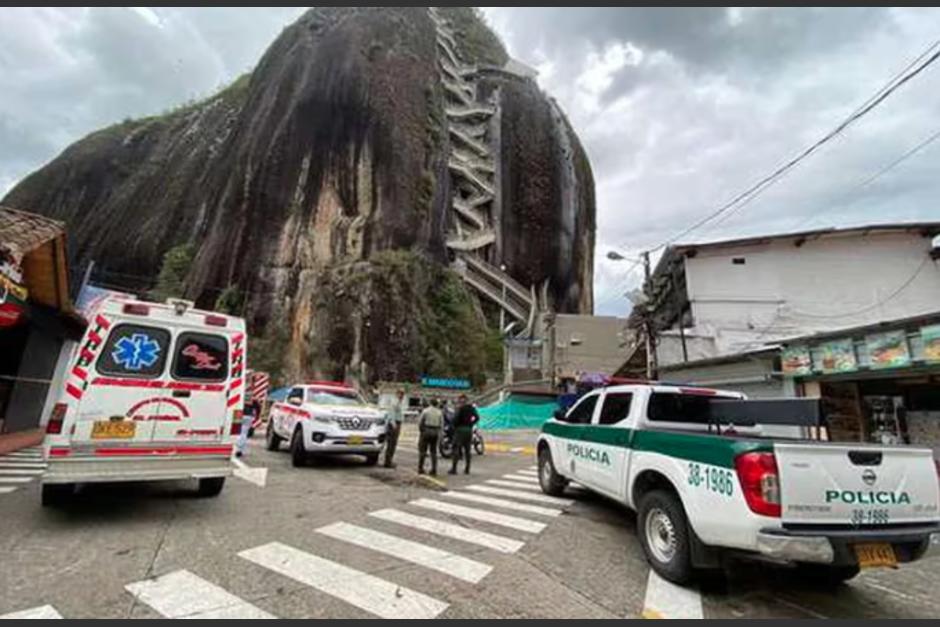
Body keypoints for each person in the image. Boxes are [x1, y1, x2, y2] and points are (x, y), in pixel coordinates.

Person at [449, 393, 479, 475]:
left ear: (461, 400)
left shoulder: (460, 408)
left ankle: (454, 469)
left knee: (456, 448)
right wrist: (471, 423)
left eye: (459, 399)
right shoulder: (471, 408)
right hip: (468, 430)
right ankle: (467, 469)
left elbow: (455, 419)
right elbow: (477, 417)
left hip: (460, 429)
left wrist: (454, 426)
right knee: (467, 450)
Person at [417, 398, 443, 476]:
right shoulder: (439, 412)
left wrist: (421, 431)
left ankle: (420, 468)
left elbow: (420, 422)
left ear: (430, 403)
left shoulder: (426, 411)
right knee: (433, 451)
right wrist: (440, 434)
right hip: (435, 431)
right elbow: (442, 424)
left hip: (426, 430)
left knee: (423, 451)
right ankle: (434, 469)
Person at [384, 388, 406, 468]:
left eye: (403, 394)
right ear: (397, 393)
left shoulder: (399, 402)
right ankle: (388, 462)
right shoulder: (395, 402)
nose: (402, 395)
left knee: (393, 444)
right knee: (391, 444)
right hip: (394, 424)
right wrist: (394, 425)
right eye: (401, 393)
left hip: (397, 423)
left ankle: (389, 461)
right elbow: (391, 414)